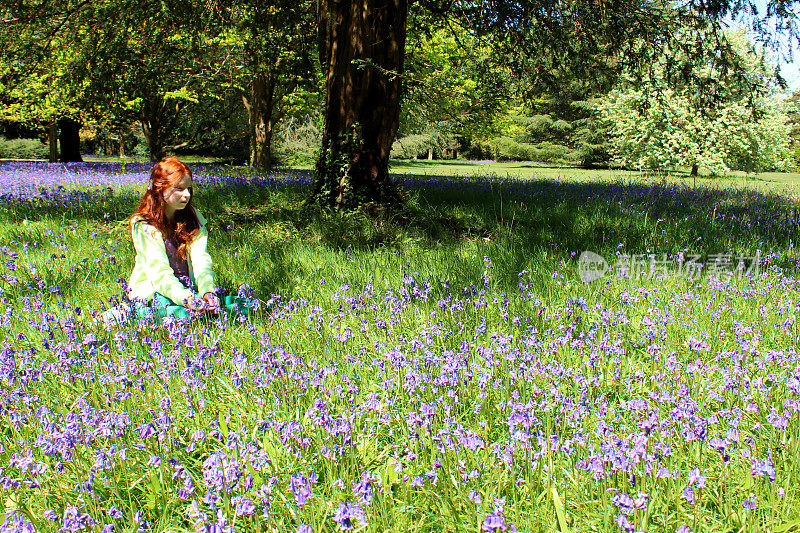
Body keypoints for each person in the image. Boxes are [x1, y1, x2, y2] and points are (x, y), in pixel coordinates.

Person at [99, 157, 250, 327]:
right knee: (182, 315)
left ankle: (193, 310)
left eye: (188, 188)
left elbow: (201, 260)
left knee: (249, 305)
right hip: (156, 291)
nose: (186, 194)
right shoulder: (143, 224)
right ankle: (129, 313)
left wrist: (208, 291)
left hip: (190, 290)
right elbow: (159, 272)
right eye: (178, 188)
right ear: (160, 189)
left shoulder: (193, 218)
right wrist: (185, 298)